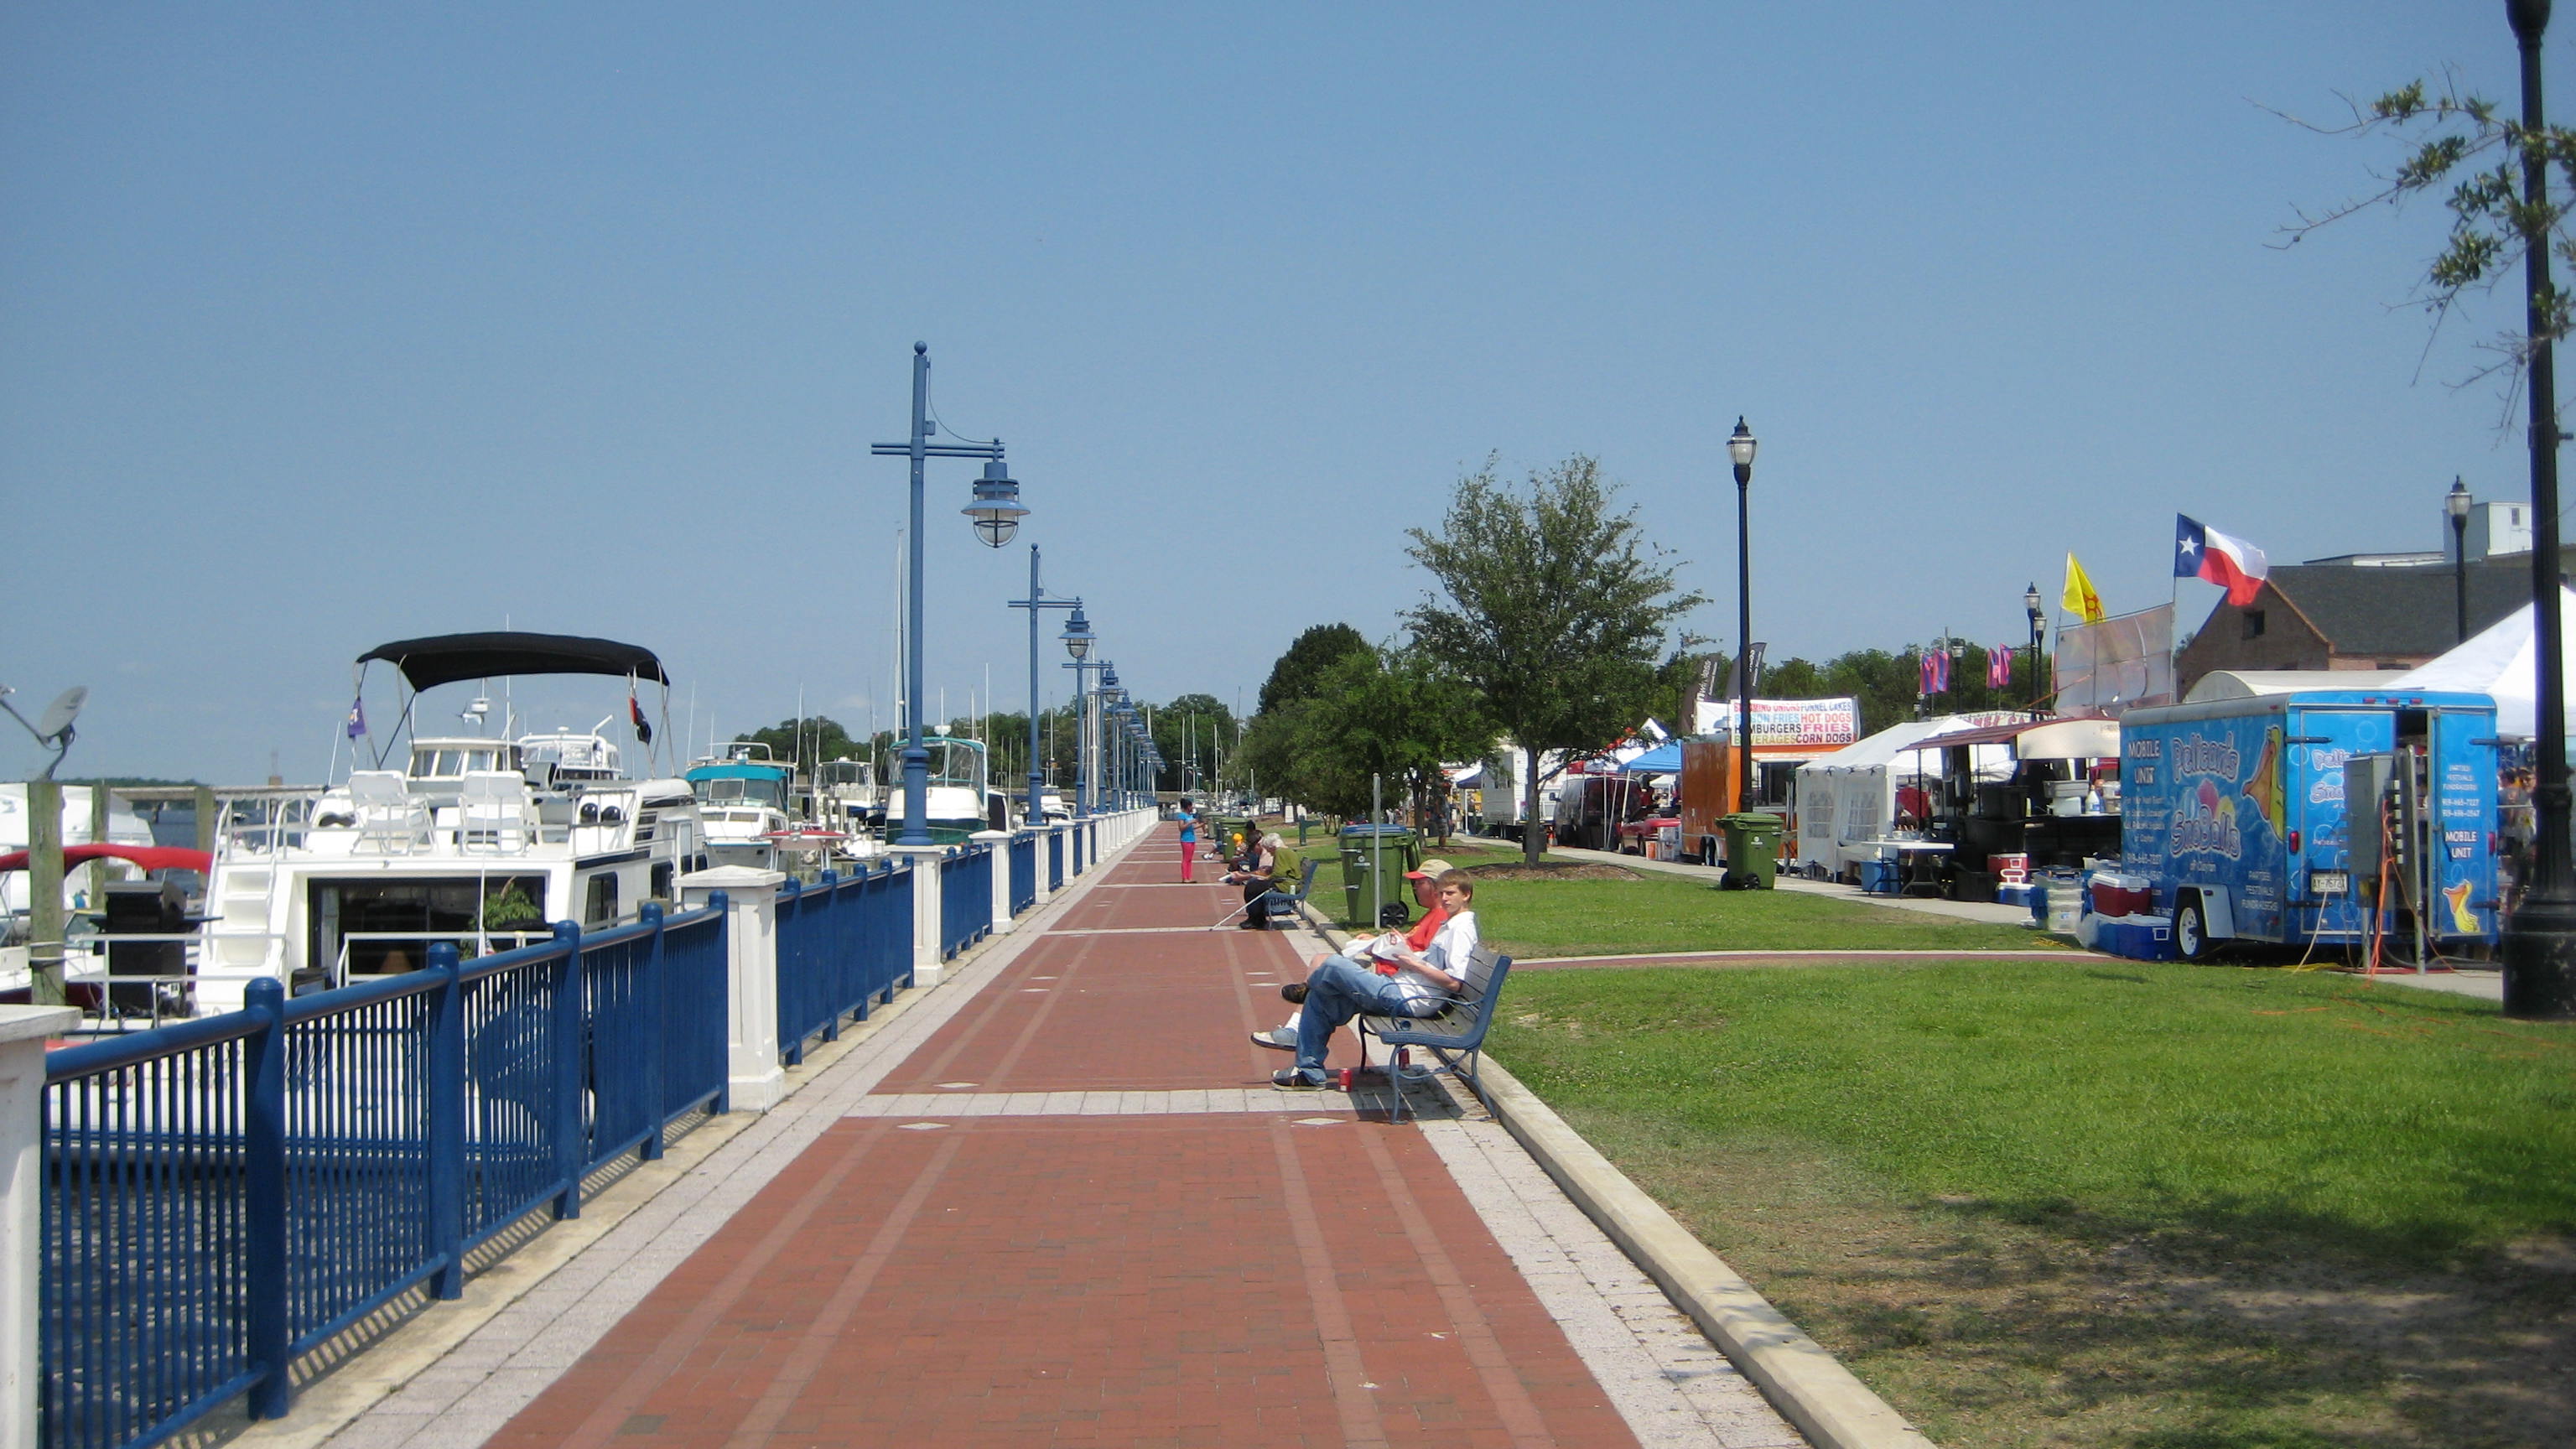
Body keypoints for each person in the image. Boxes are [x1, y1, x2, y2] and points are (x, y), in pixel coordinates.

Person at [1273, 871, 1478, 1090]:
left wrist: (1414, 965)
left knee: (1333, 964)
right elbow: (1434, 963)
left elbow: (1455, 982)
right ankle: (1309, 1074)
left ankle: (1309, 985)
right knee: (1319, 1000)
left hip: (1408, 998)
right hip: (1399, 987)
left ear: (1465, 895)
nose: (1445, 898)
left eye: (1451, 893)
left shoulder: (1461, 929)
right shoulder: (1450, 924)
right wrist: (1404, 953)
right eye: (1442, 893)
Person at [1251, 859, 1455, 1050]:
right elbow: (1411, 943)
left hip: (1394, 982)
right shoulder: (1432, 915)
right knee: (1323, 983)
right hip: (1392, 977)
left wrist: (1382, 949)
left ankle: (1301, 1014)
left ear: (1434, 886)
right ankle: (1299, 1035)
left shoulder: (1440, 917)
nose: (1415, 887)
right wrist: (1377, 941)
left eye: (1419, 882)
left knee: (1326, 964)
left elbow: (1419, 957)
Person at [1224, 831, 1290, 929]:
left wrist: (1266, 876)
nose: (1269, 853)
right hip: (1279, 880)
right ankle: (1254, 918)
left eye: (1269, 850)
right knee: (1253, 884)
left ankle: (1257, 920)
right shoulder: (1280, 852)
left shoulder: (1279, 852)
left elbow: (1279, 873)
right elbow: (1275, 869)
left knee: (1254, 886)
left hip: (1283, 882)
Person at [1176, 797, 1200, 882]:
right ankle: (1184, 877)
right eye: (1191, 806)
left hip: (1192, 838)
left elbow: (1193, 827)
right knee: (1186, 858)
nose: (1192, 808)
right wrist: (1190, 822)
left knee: (1190, 859)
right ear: (1188, 806)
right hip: (1185, 839)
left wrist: (1202, 824)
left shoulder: (1190, 816)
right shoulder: (1182, 815)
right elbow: (1181, 828)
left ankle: (1189, 876)